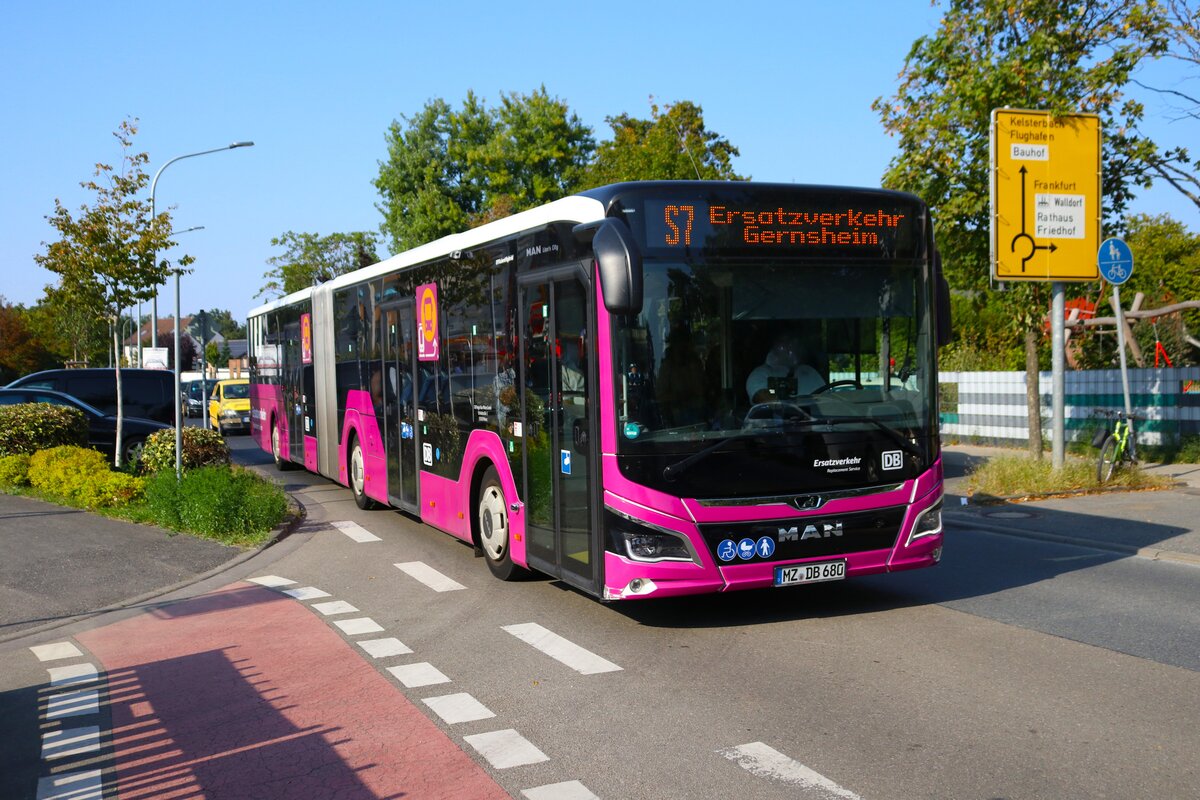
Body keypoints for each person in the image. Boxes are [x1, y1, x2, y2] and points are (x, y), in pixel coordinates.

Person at [745, 335, 823, 404]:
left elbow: (826, 399)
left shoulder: (809, 372)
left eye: (794, 341)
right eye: (784, 341)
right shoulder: (760, 373)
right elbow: (765, 398)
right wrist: (775, 393)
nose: (791, 345)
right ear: (774, 346)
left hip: (814, 419)